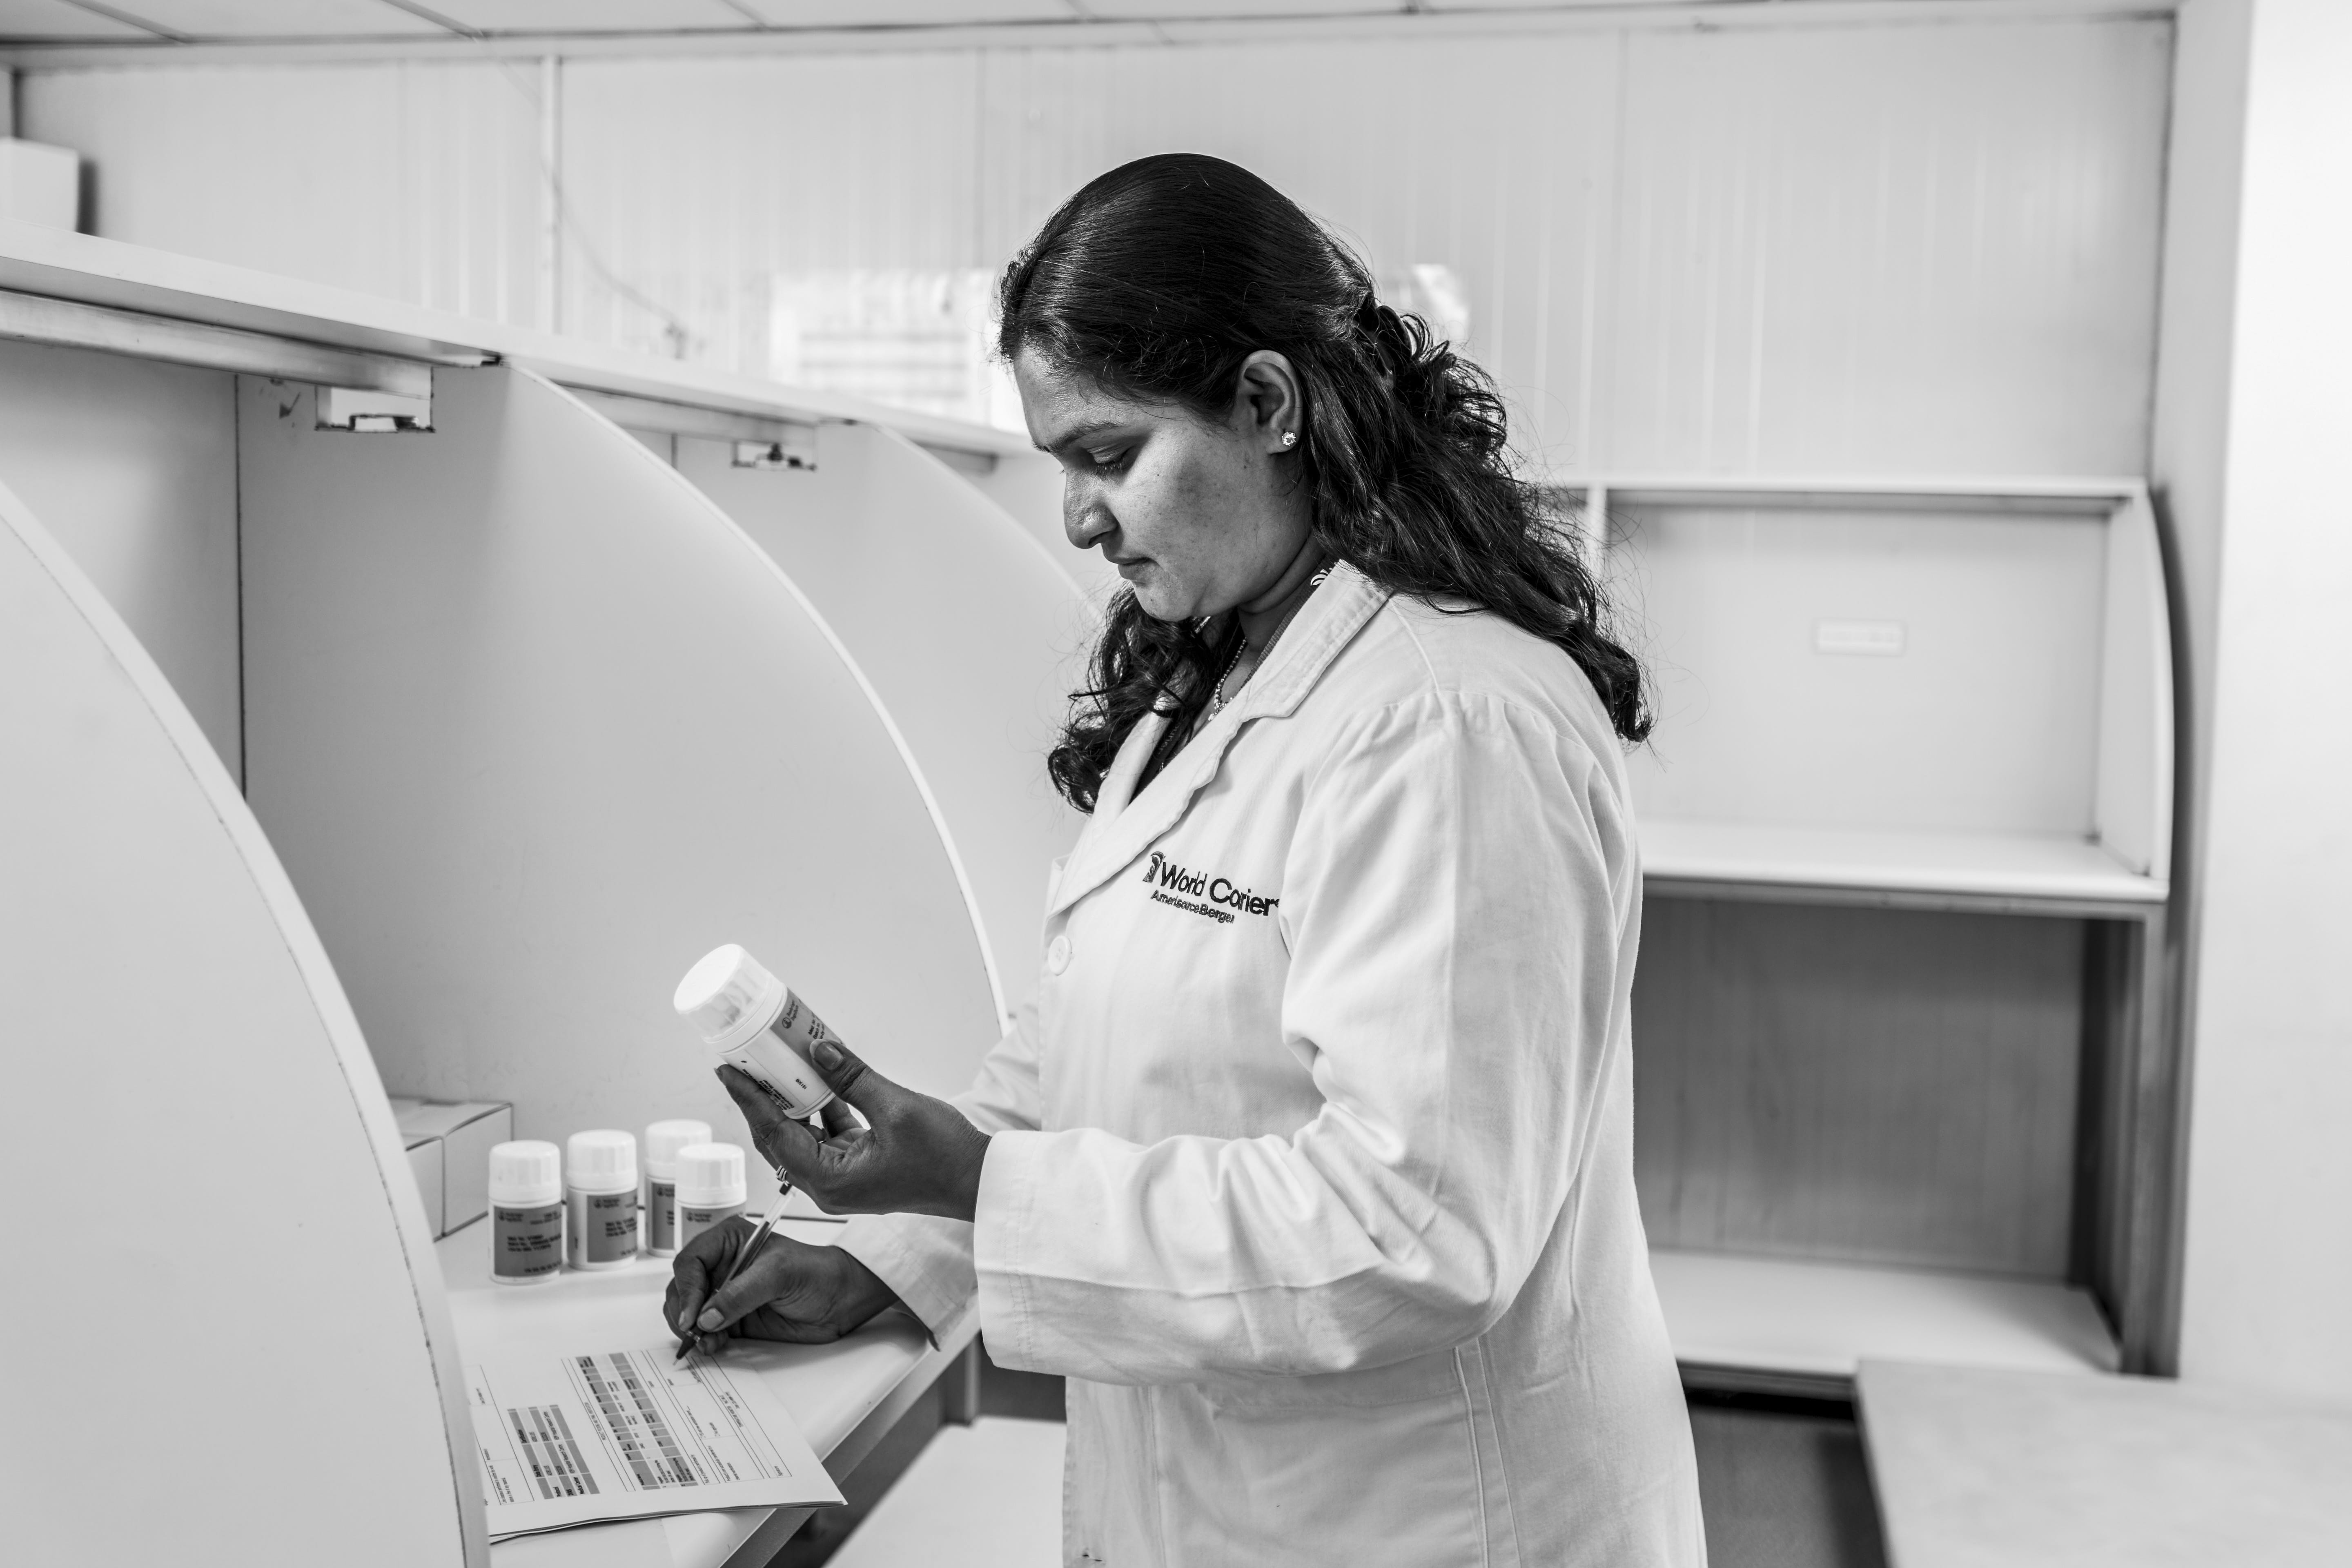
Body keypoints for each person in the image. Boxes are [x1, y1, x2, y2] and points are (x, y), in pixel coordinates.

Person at [668, 152, 1706, 1566]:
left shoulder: (1449, 720)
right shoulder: (1215, 678)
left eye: (1109, 454)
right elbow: (1102, 1052)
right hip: (1214, 1501)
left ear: (1267, 404)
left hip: (1433, 1525)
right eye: (1062, 467)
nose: (1080, 517)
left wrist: (971, 1178)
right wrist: (892, 1252)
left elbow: (1416, 1231)